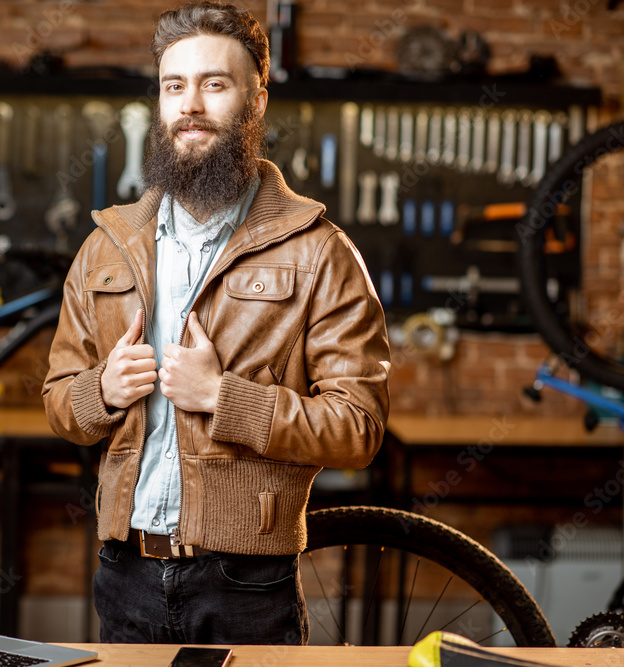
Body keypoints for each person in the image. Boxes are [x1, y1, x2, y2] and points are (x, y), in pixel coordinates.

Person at [42, 1, 390, 645]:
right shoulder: (107, 246)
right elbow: (61, 404)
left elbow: (358, 428)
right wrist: (103, 390)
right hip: (124, 570)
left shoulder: (318, 251)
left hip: (248, 580)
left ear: (256, 101)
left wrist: (223, 398)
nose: (190, 105)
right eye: (175, 86)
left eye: (214, 84)